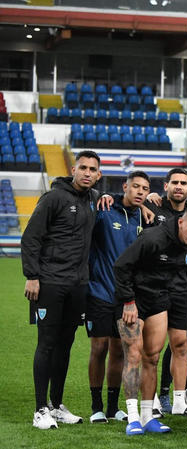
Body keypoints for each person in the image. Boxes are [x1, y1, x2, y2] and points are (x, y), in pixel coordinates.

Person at [113, 203, 187, 435]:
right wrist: (128, 301)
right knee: (133, 355)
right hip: (133, 299)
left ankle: (148, 417)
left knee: (153, 357)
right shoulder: (153, 238)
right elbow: (121, 267)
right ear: (180, 222)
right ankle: (133, 418)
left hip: (158, 299)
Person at [22, 150, 101, 429]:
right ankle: (39, 409)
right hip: (50, 282)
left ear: (98, 174)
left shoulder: (93, 199)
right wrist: (32, 276)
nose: (87, 173)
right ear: (73, 169)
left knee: (65, 345)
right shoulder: (54, 197)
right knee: (47, 343)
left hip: (78, 284)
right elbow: (31, 237)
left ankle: (56, 405)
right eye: (83, 168)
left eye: (93, 169)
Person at [85, 169, 148, 424]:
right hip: (99, 291)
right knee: (98, 348)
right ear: (125, 186)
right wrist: (103, 195)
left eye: (145, 188)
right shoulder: (104, 210)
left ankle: (113, 408)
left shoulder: (144, 220)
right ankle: (96, 406)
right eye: (136, 187)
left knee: (119, 352)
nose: (140, 192)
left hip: (127, 298)